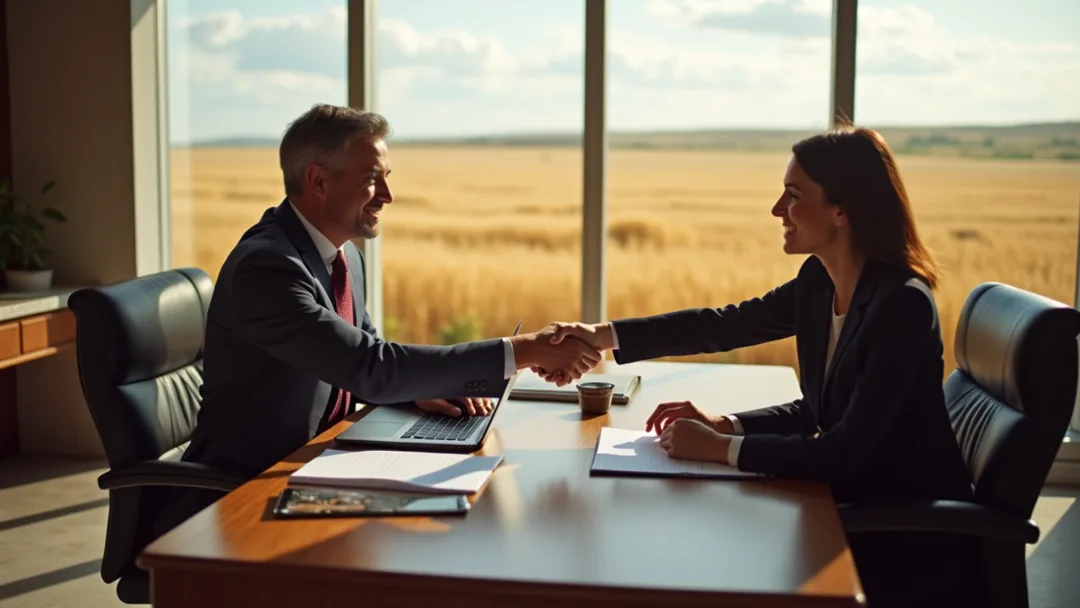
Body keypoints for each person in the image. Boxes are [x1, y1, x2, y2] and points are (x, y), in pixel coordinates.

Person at [538, 126, 979, 606]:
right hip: (842, 504)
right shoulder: (819, 282)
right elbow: (730, 327)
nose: (777, 210)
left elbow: (844, 450)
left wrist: (722, 448)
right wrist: (606, 339)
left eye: (792, 196)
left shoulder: (901, 306)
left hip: (898, 535)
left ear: (842, 210)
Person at [153, 104, 600, 539]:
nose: (387, 196)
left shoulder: (344, 256)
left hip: (322, 460)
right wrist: (522, 351)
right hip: (248, 490)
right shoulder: (267, 268)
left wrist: (420, 388)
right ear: (318, 180)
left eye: (386, 178)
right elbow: (371, 365)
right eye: (372, 179)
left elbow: (363, 361)